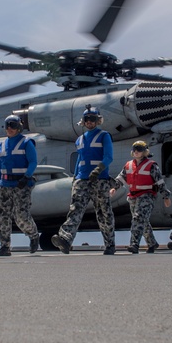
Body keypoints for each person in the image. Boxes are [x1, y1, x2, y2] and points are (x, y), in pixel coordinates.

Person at [51, 105, 116, 255]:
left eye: (92, 119)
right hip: (82, 179)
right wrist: (75, 179)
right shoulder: (79, 140)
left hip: (100, 180)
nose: (89, 122)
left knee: (104, 212)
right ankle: (65, 239)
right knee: (75, 209)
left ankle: (110, 244)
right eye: (87, 119)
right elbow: (80, 159)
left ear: (98, 121)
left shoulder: (104, 135)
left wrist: (98, 169)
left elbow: (109, 157)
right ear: (83, 121)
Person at [110, 140, 172, 253]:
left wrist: (166, 196)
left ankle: (134, 244)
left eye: (139, 149)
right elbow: (121, 178)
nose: (136, 152)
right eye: (134, 149)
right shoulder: (128, 165)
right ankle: (152, 243)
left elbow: (160, 181)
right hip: (133, 196)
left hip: (147, 195)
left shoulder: (151, 165)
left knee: (137, 218)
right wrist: (114, 188)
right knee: (142, 221)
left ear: (145, 152)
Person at [0, 114, 42, 256]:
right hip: (5, 184)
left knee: (21, 216)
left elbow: (33, 162)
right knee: (1, 216)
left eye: (13, 125)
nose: (9, 128)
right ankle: (4, 245)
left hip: (21, 184)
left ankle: (33, 235)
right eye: (7, 125)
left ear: (19, 127)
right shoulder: (1, 146)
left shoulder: (27, 143)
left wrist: (26, 177)